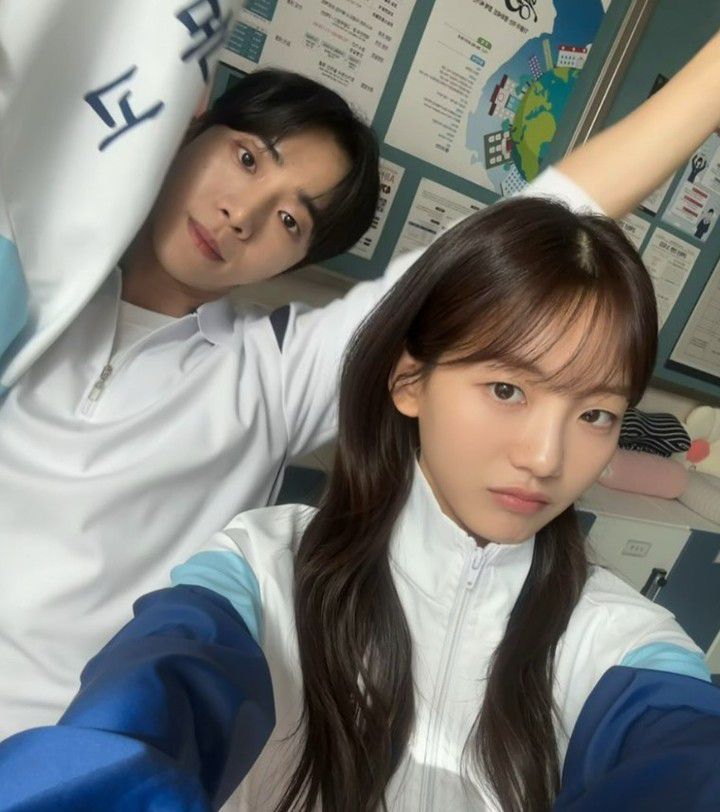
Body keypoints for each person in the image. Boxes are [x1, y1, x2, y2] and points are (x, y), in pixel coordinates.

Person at [0, 31, 719, 742]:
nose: (241, 216)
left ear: (298, 257)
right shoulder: (30, 279)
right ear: (192, 127)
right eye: (247, 158)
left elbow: (543, 213)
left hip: (91, 742)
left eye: (290, 220)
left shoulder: (277, 371)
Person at [1, 197, 718, 812]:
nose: (545, 458)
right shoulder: (262, 570)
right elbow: (137, 720)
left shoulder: (621, 643)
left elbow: (689, 764)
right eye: (507, 390)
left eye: (595, 414)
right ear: (410, 382)